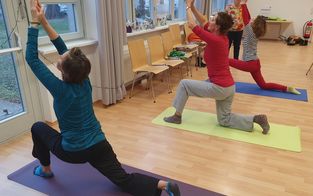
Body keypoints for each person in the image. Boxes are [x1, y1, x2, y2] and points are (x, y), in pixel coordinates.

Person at [26, 1, 180, 196]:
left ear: (63, 70)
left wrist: (34, 22)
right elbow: (62, 47)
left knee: (38, 127)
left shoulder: (60, 88)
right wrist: (44, 21)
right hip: (99, 145)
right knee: (123, 179)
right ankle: (163, 185)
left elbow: (31, 58)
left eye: (62, 58)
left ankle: (46, 170)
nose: (61, 55)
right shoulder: (84, 80)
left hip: (73, 152)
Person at [164, 0, 270, 135]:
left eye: (213, 19)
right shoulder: (220, 36)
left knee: (184, 84)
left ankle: (177, 116)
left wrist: (187, 6)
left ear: (218, 26)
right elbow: (202, 20)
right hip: (229, 87)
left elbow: (192, 24)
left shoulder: (215, 40)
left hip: (219, 87)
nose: (210, 20)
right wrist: (193, 7)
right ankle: (256, 119)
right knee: (224, 120)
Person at [229, 16, 301, 94]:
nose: (252, 19)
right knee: (264, 85)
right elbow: (247, 19)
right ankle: (287, 88)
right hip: (255, 63)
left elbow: (246, 17)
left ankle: (220, 80)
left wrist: (243, 4)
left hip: (250, 64)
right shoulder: (256, 33)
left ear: (255, 23)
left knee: (226, 60)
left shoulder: (250, 31)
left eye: (254, 19)